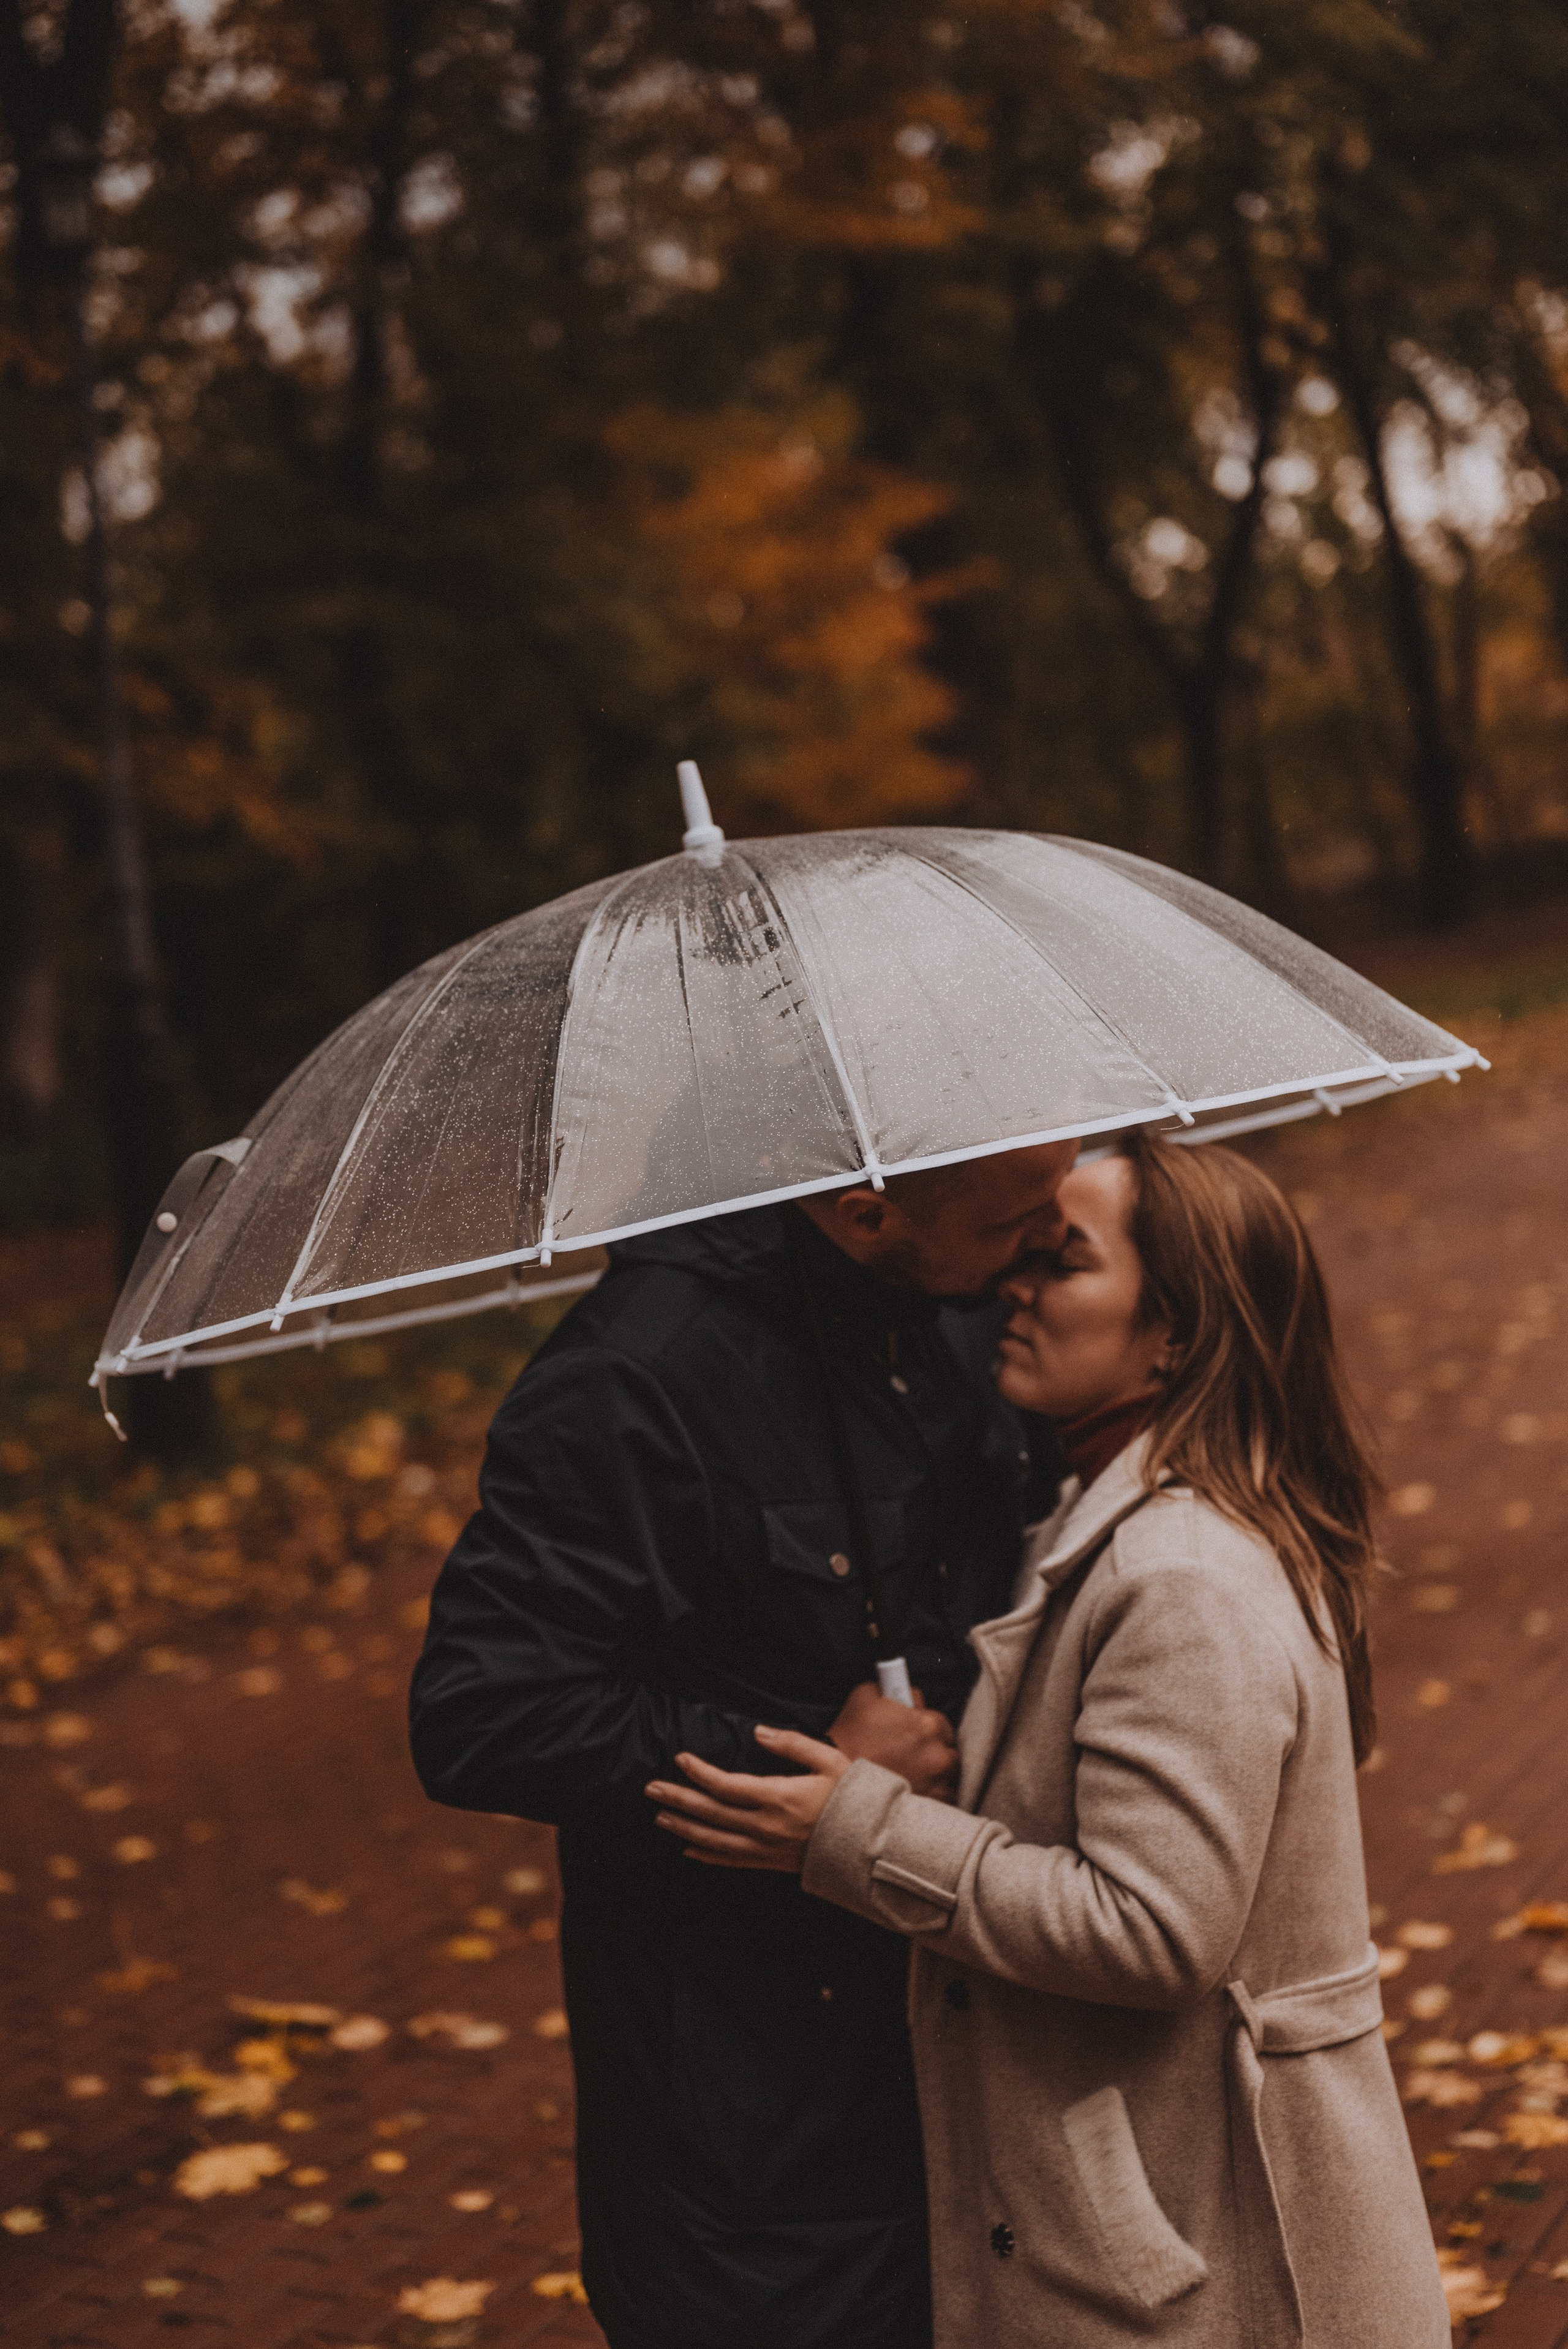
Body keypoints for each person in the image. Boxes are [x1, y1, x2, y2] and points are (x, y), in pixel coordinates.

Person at [649, 1134, 1449, 2349]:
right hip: (1165, 2215)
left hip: (1197, 2247)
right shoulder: (1107, 1513)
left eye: (1060, 1260)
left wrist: (855, 1832)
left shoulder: (1178, 1578)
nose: (1008, 1284)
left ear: (1172, 1333)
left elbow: (1152, 1928)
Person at [408, 1141, 1076, 2349]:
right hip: (750, 2135)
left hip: (961, 2054)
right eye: (1013, 1221)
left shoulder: (957, 1320)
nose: (1044, 1243)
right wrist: (806, 1762)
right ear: (864, 1207)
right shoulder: (632, 1381)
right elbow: (482, 1709)